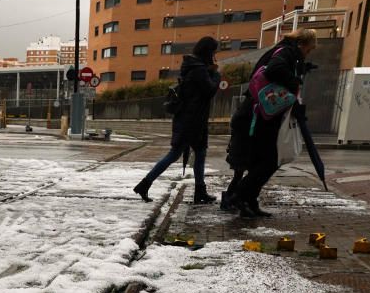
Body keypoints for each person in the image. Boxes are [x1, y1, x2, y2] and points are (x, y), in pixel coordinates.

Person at [222, 29, 317, 218]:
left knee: (261, 160)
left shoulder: (281, 51)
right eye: (308, 50)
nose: (307, 54)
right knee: (270, 160)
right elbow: (275, 69)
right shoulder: (286, 52)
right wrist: (295, 81)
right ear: (301, 44)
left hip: (258, 113)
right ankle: (240, 196)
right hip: (259, 115)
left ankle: (248, 200)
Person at [134, 37, 221, 204]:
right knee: (175, 154)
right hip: (191, 121)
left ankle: (199, 191)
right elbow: (209, 90)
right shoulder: (198, 70)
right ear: (208, 52)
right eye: (214, 52)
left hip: (192, 120)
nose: (215, 55)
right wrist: (216, 75)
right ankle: (145, 184)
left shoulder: (193, 67)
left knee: (199, 154)